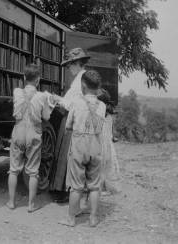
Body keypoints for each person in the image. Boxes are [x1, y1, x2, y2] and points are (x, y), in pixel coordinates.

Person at [7, 63, 57, 212]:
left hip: (18, 130)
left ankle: (11, 202)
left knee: (14, 169)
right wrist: (51, 103)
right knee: (33, 171)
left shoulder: (17, 91)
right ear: (38, 80)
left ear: (24, 77)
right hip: (34, 133)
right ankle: (31, 204)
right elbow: (46, 116)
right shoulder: (42, 96)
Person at [58, 70, 106, 227]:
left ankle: (71, 219)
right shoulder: (103, 106)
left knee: (76, 186)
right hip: (96, 148)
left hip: (79, 148)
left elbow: (68, 126)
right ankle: (93, 218)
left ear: (83, 86)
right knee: (94, 185)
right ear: (98, 87)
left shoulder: (77, 103)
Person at [50, 47, 90, 203]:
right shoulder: (79, 78)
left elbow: (74, 103)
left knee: (68, 155)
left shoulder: (81, 79)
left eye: (70, 64)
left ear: (78, 63)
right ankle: (62, 189)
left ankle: (66, 191)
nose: (69, 68)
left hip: (73, 119)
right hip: (70, 118)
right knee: (64, 154)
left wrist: (58, 99)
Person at [98, 89, 121, 195]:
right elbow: (111, 132)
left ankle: (101, 188)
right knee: (106, 166)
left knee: (101, 166)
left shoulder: (99, 114)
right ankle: (103, 187)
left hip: (101, 143)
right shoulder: (110, 116)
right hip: (107, 144)